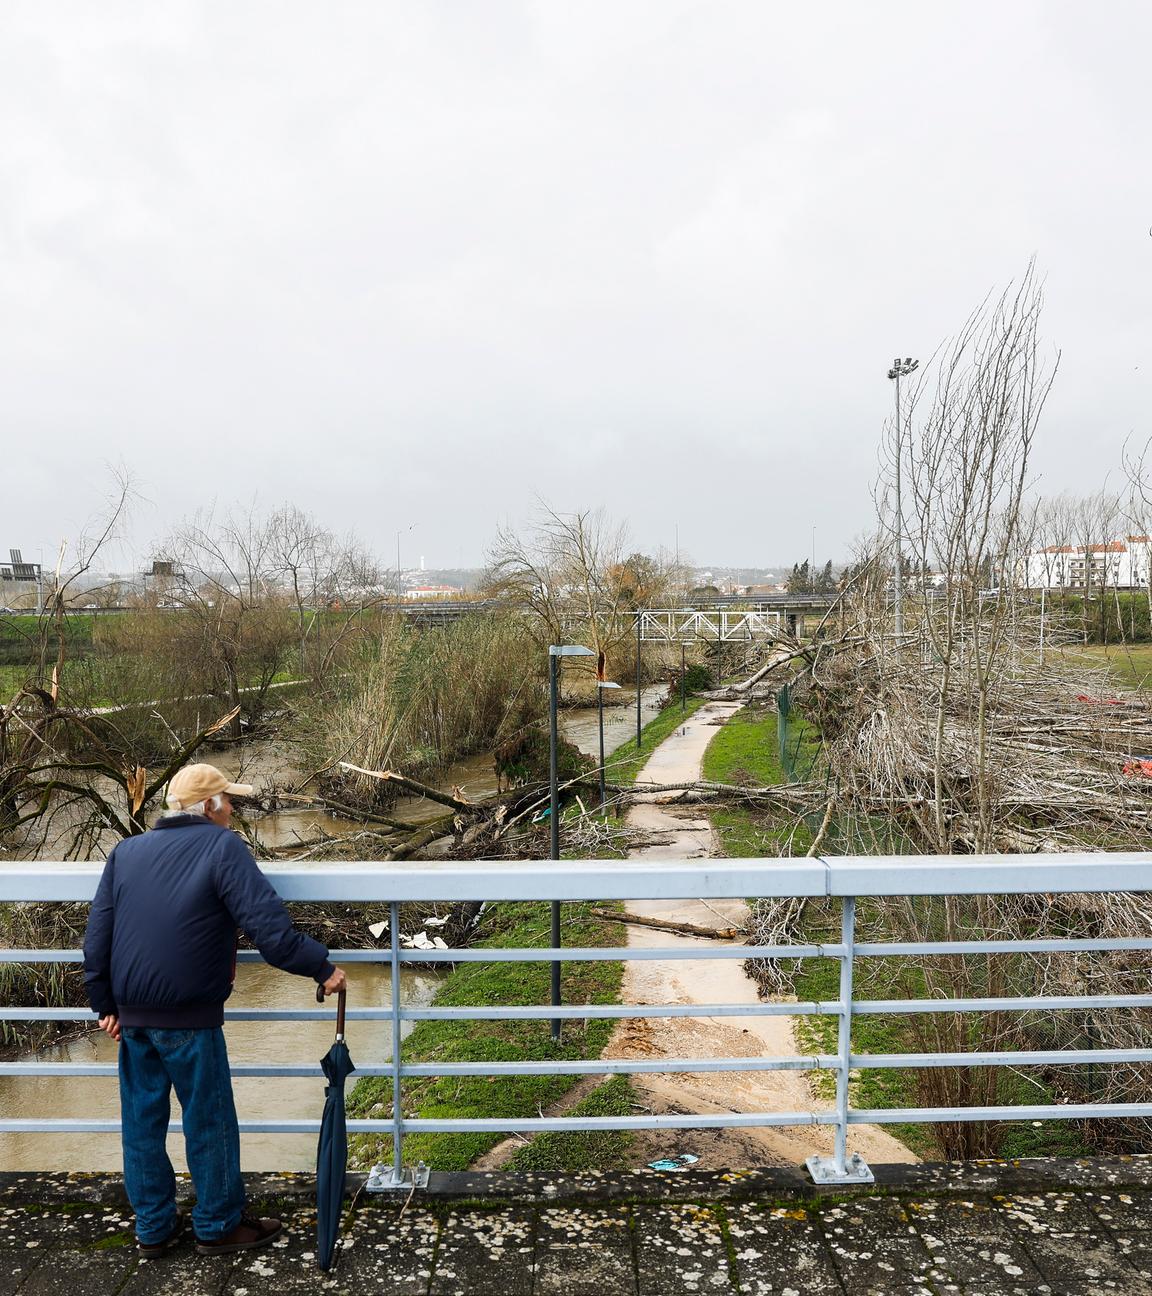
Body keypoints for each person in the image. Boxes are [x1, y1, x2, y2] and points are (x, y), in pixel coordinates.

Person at [83, 762, 347, 1259]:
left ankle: (154, 1229)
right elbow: (270, 933)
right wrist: (321, 968)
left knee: (142, 1124)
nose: (234, 812)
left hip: (132, 1015)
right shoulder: (222, 846)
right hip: (188, 1016)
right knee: (209, 1121)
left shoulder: (126, 852)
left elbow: (97, 937)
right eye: (229, 803)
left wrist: (105, 1004)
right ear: (209, 807)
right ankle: (218, 1224)